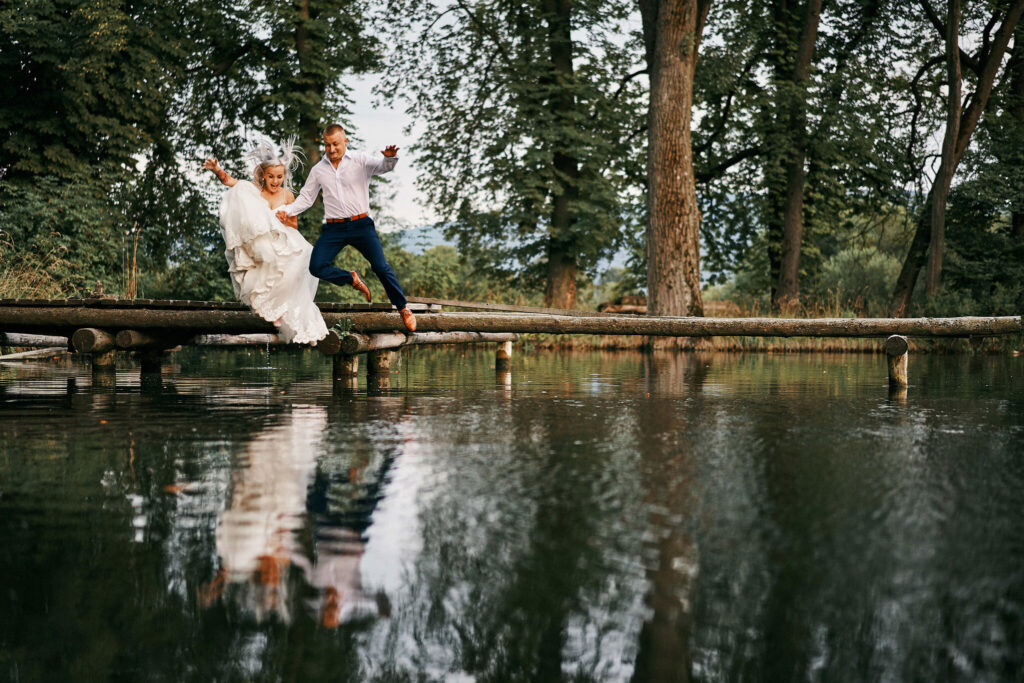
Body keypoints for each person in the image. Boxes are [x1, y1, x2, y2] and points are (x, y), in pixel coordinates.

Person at [275, 124, 417, 332]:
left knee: (380, 266)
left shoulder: (360, 160)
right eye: (327, 145)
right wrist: (286, 211)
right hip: (334, 229)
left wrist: (389, 158)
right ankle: (350, 278)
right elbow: (306, 198)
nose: (331, 149)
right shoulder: (319, 170)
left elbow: (383, 167)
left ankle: (403, 308)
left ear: (345, 142)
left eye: (335, 144)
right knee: (316, 266)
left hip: (361, 225)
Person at [203, 137, 329, 345]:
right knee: (265, 252)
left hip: (284, 238)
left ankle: (282, 308)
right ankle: (267, 306)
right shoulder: (255, 191)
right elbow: (231, 182)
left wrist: (286, 219)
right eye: (271, 176)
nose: (275, 181)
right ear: (263, 175)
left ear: (283, 177)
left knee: (304, 257)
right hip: (262, 243)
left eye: (279, 177)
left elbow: (295, 225)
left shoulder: (288, 196)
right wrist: (217, 170)